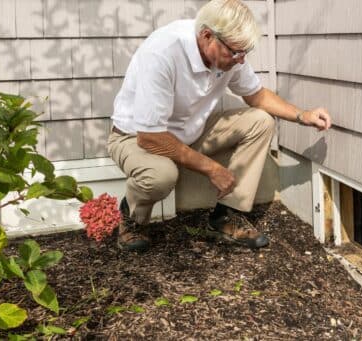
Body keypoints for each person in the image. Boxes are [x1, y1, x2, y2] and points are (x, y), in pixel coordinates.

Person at [107, 0, 332, 252]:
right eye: (235, 52)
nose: (240, 60)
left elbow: (256, 96)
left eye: (245, 53)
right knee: (161, 176)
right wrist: (213, 169)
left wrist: (303, 115)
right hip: (135, 137)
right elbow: (150, 137)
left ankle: (226, 217)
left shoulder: (229, 54)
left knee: (260, 121)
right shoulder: (163, 53)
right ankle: (132, 217)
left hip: (189, 132)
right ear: (207, 36)